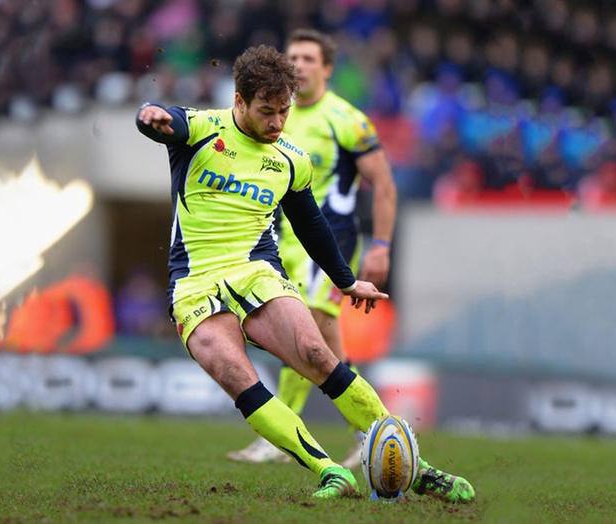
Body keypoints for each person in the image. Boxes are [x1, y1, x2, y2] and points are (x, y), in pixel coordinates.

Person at [136, 44, 474, 502]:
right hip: (194, 282)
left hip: (257, 271)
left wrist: (344, 278)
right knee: (238, 375)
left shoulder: (291, 159)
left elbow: (309, 223)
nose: (277, 123)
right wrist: (149, 116)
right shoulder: (200, 129)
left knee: (317, 353)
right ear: (239, 100)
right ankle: (327, 469)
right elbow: (163, 120)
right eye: (266, 112)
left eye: (284, 112)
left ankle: (418, 467)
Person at [227, 28, 397, 468]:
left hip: (333, 236)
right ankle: (364, 430)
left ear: (327, 68)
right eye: (293, 57)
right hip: (284, 241)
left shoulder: (347, 120)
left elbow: (383, 184)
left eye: (308, 58)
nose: (299, 64)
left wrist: (381, 245)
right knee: (304, 329)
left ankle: (296, 436)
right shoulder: (277, 114)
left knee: (317, 320)